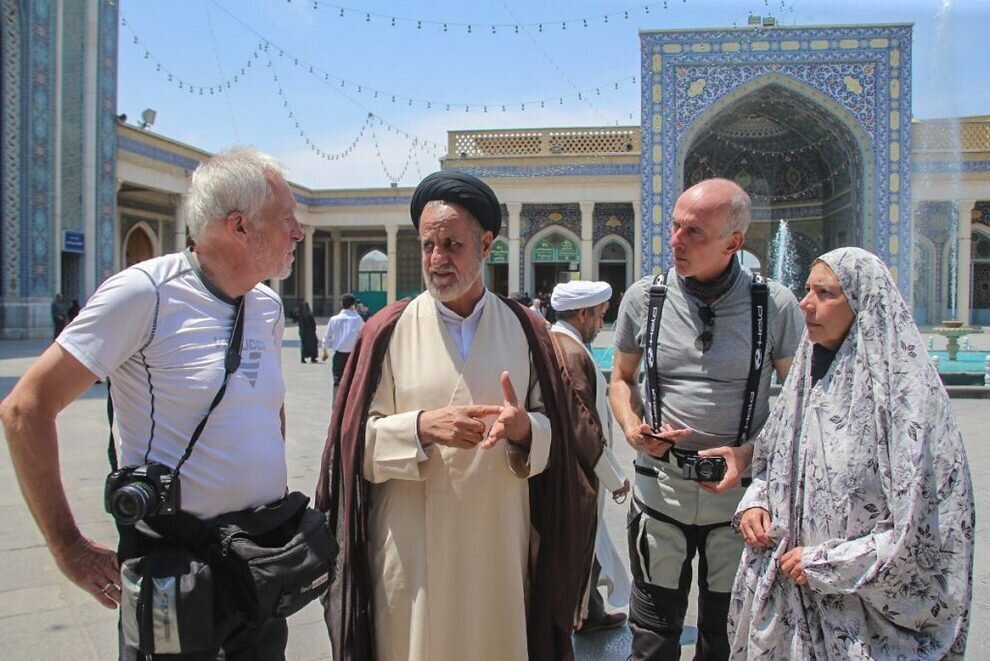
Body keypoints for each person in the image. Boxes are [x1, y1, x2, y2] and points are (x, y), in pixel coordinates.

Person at [0, 146, 304, 659]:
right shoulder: (144, 294)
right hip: (177, 569)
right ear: (239, 227)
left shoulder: (266, 305)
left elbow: (266, 405)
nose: (298, 232)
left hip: (259, 560)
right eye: (287, 220)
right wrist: (67, 546)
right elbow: (25, 408)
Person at [315, 171, 599, 661]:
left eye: (452, 244)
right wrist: (421, 427)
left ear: (487, 244)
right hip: (410, 551)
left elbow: (559, 443)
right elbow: (350, 449)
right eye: (428, 245)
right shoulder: (387, 330)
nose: (436, 260)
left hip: (498, 549)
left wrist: (525, 429)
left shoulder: (525, 329)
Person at [729, 247, 975, 659]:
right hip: (795, 607)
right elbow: (773, 460)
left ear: (863, 303)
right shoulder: (806, 381)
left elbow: (926, 531)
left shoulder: (907, 400)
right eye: (807, 290)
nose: (806, 303)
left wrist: (827, 564)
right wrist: (756, 504)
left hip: (864, 619)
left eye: (825, 293)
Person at [609, 178, 803, 660]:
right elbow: (620, 380)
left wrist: (748, 453)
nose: (675, 241)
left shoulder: (772, 305)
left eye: (694, 232)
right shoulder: (645, 298)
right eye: (674, 226)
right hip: (662, 493)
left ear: (734, 242)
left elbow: (803, 404)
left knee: (725, 638)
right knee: (652, 637)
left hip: (736, 506)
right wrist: (633, 429)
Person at [549, 280, 631, 633]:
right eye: (599, 315)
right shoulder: (571, 352)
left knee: (594, 543)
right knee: (584, 541)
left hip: (576, 469)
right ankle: (573, 618)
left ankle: (589, 610)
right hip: (579, 472)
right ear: (582, 314)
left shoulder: (564, 343)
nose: (601, 322)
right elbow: (582, 422)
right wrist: (613, 477)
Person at [320, 293, 365, 393]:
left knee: (337, 382)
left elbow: (327, 336)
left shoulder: (334, 319)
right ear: (353, 305)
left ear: (341, 304)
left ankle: (336, 405)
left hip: (339, 356)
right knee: (352, 382)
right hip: (353, 356)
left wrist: (324, 351)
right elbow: (365, 334)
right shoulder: (357, 320)